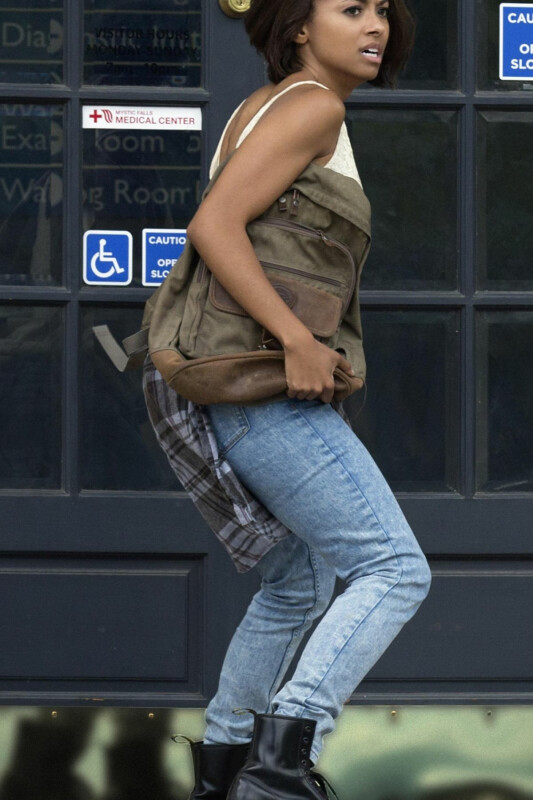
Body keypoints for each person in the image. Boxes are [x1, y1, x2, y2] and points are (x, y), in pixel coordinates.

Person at [143, 1, 432, 798]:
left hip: (231, 391)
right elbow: (215, 225)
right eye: (350, 9)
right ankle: (278, 769)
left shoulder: (266, 105)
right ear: (299, 26)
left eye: (381, 9)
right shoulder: (312, 107)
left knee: (296, 582)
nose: (375, 25)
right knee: (394, 568)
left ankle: (225, 771)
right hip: (264, 389)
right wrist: (297, 339)